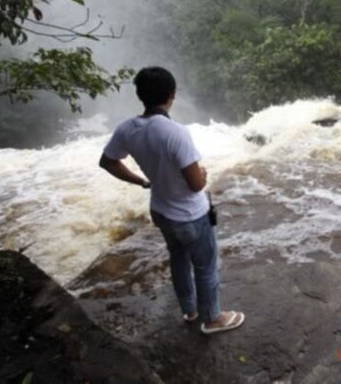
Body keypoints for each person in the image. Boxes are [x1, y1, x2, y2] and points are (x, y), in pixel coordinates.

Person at [98, 66, 244, 334]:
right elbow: (196, 183)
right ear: (171, 95)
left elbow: (107, 162)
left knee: (178, 259)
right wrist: (202, 173)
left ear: (141, 95)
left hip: (161, 212)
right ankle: (212, 319)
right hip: (190, 215)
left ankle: (190, 311)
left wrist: (142, 181)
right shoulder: (175, 132)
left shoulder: (127, 129)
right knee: (205, 266)